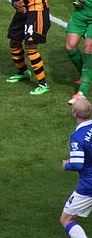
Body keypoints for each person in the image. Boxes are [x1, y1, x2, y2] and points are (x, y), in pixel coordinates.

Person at [4, 0, 77, 95]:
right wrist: (14, 3)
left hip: (37, 10)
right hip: (22, 11)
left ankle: (42, 84)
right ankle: (23, 72)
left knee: (30, 45)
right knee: (14, 41)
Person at [60, 97, 92, 238]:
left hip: (88, 185)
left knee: (66, 219)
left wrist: (67, 165)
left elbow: (77, 164)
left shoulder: (78, 137)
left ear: (74, 113)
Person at [66, 0, 92, 104]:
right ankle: (85, 74)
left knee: (88, 48)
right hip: (81, 11)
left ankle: (82, 92)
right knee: (70, 46)